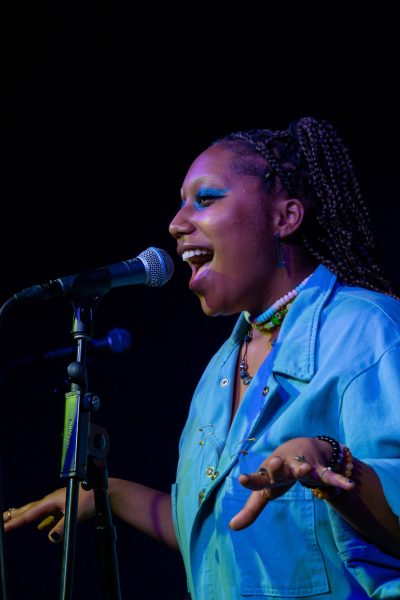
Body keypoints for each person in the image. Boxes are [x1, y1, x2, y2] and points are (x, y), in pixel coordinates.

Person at [3, 117, 400, 599]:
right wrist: (109, 496)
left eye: (206, 199)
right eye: (181, 203)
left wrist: (329, 460)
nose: (176, 224)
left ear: (285, 217)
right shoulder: (221, 368)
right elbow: (223, 535)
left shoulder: (368, 331)